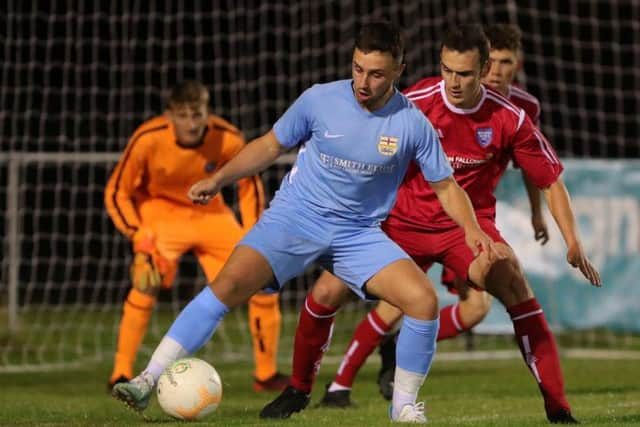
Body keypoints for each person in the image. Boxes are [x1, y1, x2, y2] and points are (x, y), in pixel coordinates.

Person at [112, 21, 497, 423]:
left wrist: (472, 230)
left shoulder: (412, 123)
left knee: (423, 302)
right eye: (358, 68)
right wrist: (218, 179)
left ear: (400, 70)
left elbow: (447, 187)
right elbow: (269, 145)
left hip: (357, 234)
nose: (363, 81)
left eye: (377, 73)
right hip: (296, 218)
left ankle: (403, 407)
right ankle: (146, 379)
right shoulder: (319, 100)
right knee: (225, 286)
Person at [276, 24, 601, 424]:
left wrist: (572, 241)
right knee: (327, 289)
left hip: (466, 231)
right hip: (400, 223)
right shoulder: (415, 102)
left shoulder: (511, 117)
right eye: (447, 70)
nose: (453, 81)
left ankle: (559, 409)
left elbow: (550, 181)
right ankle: (299, 388)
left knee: (512, 283)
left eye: (464, 73)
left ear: (483, 71)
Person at [366, 22, 554, 403]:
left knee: (477, 307)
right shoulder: (423, 100)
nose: (498, 71)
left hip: (468, 227)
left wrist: (537, 214)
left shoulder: (522, 110)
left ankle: (396, 356)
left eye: (506, 63)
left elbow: (539, 172)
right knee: (386, 300)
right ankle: (336, 386)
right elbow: (383, 149)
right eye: (494, 62)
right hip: (414, 218)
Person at [104, 80, 288, 392]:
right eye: (183, 115)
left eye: (197, 114)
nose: (191, 123)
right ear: (169, 116)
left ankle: (266, 374)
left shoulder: (227, 138)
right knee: (145, 281)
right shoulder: (148, 139)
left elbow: (249, 186)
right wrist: (138, 235)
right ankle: (121, 372)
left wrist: (255, 233)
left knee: (260, 281)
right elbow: (117, 193)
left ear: (207, 112)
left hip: (210, 214)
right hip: (160, 215)